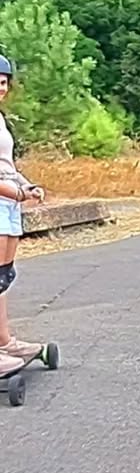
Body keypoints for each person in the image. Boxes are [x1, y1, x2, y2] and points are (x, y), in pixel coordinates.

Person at [0, 55, 48, 372]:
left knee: (2, 278)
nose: (0, 88)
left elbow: (7, 165)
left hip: (9, 201)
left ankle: (4, 341)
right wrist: (15, 193)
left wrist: (26, 186)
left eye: (3, 82)